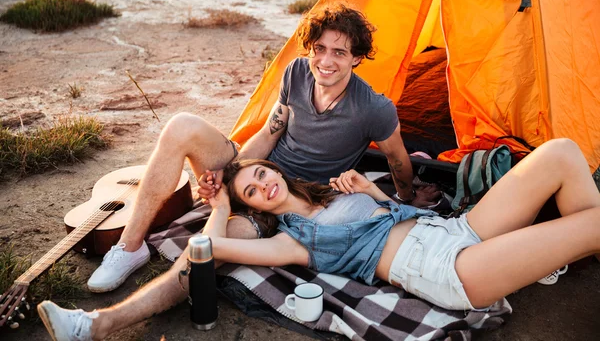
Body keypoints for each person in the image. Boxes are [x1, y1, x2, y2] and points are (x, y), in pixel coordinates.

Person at [38, 138, 600, 341]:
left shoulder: (334, 190)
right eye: (253, 191)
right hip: (447, 271)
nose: (263, 183)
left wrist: (379, 198)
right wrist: (222, 204)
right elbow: (209, 250)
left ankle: (570, 247)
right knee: (588, 225)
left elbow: (401, 213)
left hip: (453, 231)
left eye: (259, 174)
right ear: (255, 206)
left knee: (562, 154)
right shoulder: (294, 241)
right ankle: (95, 325)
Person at [85, 1, 440, 293]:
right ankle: (129, 248)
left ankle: (158, 295)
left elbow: (397, 160)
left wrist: (404, 199)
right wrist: (232, 172)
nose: (326, 61)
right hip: (258, 171)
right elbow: (271, 133)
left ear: (357, 57)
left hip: (288, 198)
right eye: (319, 49)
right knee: (181, 125)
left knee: (217, 242)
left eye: (339, 52)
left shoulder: (374, 107)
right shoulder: (297, 72)